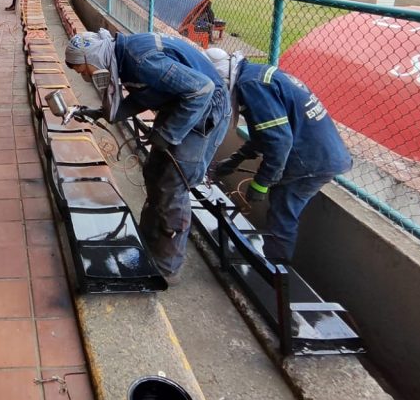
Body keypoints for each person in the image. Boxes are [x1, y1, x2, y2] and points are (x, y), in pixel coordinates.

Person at [64, 30, 231, 280]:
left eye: (82, 69)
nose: (85, 76)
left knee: (172, 184)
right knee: (153, 172)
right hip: (180, 105)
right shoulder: (124, 57)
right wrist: (101, 113)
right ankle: (148, 240)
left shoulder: (141, 61)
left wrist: (169, 133)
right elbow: (148, 95)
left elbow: (201, 90)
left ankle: (167, 266)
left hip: (205, 111)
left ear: (94, 57)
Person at [206, 49, 352, 265]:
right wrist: (236, 159)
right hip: (320, 153)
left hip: (309, 159)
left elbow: (279, 141)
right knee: (282, 210)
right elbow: (264, 133)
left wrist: (261, 182)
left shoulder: (251, 86)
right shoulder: (255, 75)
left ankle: (276, 275)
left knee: (282, 214)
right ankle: (276, 270)